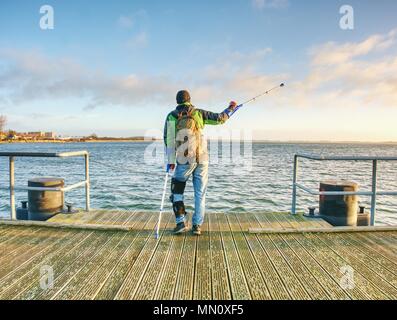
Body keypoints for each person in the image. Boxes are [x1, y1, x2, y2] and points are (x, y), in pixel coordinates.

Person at [164, 90, 238, 235]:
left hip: (184, 159)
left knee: (177, 190)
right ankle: (197, 226)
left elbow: (169, 140)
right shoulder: (198, 113)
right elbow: (220, 118)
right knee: (200, 193)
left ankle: (181, 222)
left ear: (177, 101)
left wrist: (171, 160)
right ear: (190, 100)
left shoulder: (172, 116)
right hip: (202, 159)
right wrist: (231, 108)